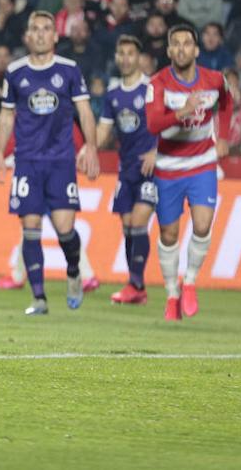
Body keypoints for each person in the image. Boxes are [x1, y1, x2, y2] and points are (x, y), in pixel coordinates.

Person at [0, 11, 101, 316]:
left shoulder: (68, 70)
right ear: (27, 36)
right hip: (27, 161)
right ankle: (38, 298)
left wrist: (91, 148)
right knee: (30, 226)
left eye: (46, 29)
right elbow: (6, 115)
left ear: (55, 36)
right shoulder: (15, 72)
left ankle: (74, 270)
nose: (40, 34)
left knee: (65, 229)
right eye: (34, 29)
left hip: (61, 160)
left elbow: (85, 111)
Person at [145, 24, 233, 322]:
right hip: (168, 167)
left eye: (187, 44)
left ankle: (191, 281)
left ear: (196, 50)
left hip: (202, 163)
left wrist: (223, 138)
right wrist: (182, 112)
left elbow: (227, 100)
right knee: (169, 234)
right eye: (176, 44)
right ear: (169, 51)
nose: (182, 49)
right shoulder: (158, 84)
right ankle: (172, 293)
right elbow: (153, 124)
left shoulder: (213, 80)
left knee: (203, 224)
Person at [96, 36, 158, 305]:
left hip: (150, 168)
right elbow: (103, 130)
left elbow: (170, 124)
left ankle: (135, 284)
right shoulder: (112, 94)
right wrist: (88, 148)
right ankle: (137, 287)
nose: (125, 58)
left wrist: (158, 151)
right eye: (121, 53)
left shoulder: (154, 89)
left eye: (130, 53)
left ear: (140, 58)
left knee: (138, 222)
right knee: (127, 226)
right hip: (126, 169)